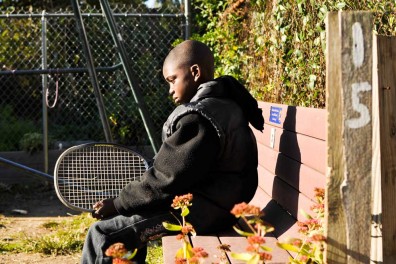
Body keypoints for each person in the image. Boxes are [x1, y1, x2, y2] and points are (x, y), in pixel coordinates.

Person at [81, 40, 264, 264]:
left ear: (194, 72)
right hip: (219, 206)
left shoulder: (199, 118)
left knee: (102, 234)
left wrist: (118, 203)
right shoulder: (224, 104)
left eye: (172, 80)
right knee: (126, 227)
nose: (170, 90)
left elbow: (167, 178)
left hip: (206, 212)